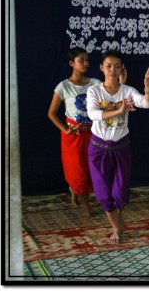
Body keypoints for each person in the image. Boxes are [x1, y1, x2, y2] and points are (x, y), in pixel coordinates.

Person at [87, 50, 149, 243]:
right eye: (108, 66)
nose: (112, 70)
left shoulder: (127, 91)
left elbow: (146, 104)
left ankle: (118, 221)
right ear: (101, 68)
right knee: (102, 194)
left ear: (122, 69)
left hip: (121, 147)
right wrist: (119, 110)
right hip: (99, 148)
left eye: (117, 66)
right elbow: (93, 114)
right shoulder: (94, 91)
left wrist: (148, 90)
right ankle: (117, 227)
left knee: (120, 192)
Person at [47, 47, 101, 218]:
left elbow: (110, 97)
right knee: (78, 171)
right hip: (73, 136)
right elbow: (51, 113)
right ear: (72, 63)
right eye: (81, 60)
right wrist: (66, 130)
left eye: (87, 59)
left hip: (93, 133)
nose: (86, 63)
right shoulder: (63, 86)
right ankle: (86, 205)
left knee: (93, 169)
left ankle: (75, 190)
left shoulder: (95, 83)